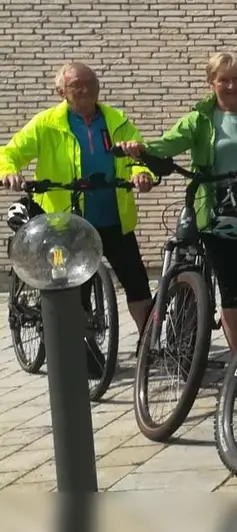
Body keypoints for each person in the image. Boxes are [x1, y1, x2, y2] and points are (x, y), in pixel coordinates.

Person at [123, 53, 237, 355]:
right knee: (231, 289)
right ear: (211, 82)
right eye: (223, 79)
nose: (230, 85)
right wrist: (141, 150)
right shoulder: (199, 118)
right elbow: (169, 143)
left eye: (236, 78)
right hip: (215, 208)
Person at [0, 62, 157, 343]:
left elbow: (138, 158)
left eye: (90, 83)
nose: (85, 90)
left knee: (138, 286)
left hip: (114, 218)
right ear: (62, 91)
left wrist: (142, 173)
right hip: (63, 223)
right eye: (76, 86)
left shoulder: (117, 120)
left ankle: (150, 347)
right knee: (72, 290)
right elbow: (10, 152)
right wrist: (8, 171)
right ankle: (80, 349)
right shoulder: (46, 123)